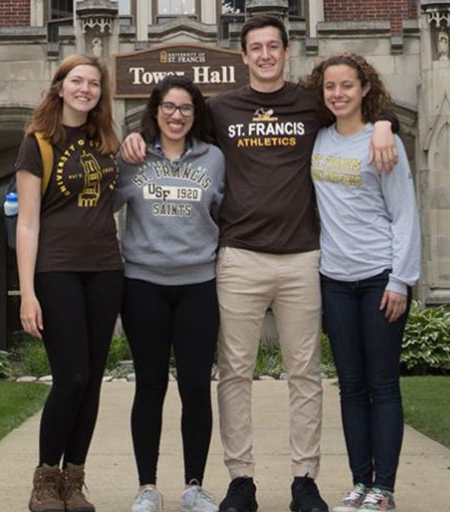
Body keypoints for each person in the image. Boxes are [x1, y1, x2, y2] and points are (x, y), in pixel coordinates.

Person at [121, 15, 399, 512]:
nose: (266, 55)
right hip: (238, 257)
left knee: (305, 374)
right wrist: (134, 141)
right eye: (256, 48)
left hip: (302, 258)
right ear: (243, 56)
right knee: (233, 373)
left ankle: (304, 481)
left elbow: (353, 106)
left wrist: (385, 125)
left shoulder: (311, 105)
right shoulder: (221, 110)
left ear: (286, 53)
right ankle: (240, 480)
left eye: (274, 46)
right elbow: (172, 130)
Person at [302, 53, 420, 512]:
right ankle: (359, 483)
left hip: (379, 279)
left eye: (347, 86)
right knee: (350, 386)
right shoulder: (319, 140)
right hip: (334, 279)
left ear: (365, 89)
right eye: (330, 86)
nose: (338, 94)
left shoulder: (382, 141)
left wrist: (401, 280)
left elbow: (405, 213)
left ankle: (384, 488)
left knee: (383, 384)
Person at [15, 53, 123, 512]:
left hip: (105, 268)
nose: (86, 89)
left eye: (93, 83)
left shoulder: (107, 142)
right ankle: (45, 480)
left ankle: (74, 480)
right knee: (71, 376)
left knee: (93, 379)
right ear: (59, 87)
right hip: (56, 270)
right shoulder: (37, 143)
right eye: (77, 81)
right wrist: (28, 292)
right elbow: (26, 224)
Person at [113, 75, 225, 512]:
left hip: (198, 285)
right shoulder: (134, 156)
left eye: (186, 109)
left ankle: (194, 486)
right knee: (151, 386)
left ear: (196, 115)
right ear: (155, 111)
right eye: (169, 107)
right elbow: (103, 205)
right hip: (143, 285)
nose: (176, 116)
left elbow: (226, 212)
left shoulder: (214, 159)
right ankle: (147, 487)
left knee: (196, 386)